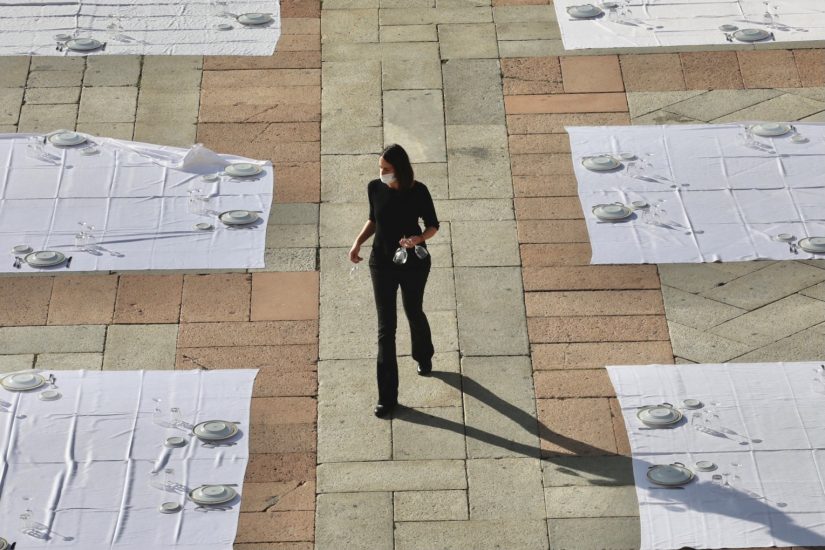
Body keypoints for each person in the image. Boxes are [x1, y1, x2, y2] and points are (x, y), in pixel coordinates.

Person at [349, 144, 440, 418]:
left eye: (386, 169)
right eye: (380, 168)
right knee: (385, 329)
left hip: (413, 264)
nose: (381, 173)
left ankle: (423, 355)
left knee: (413, 311)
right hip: (382, 263)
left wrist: (418, 239)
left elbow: (433, 225)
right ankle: (387, 397)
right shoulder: (374, 188)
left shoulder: (418, 191)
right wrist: (357, 243)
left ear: (399, 170)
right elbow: (373, 220)